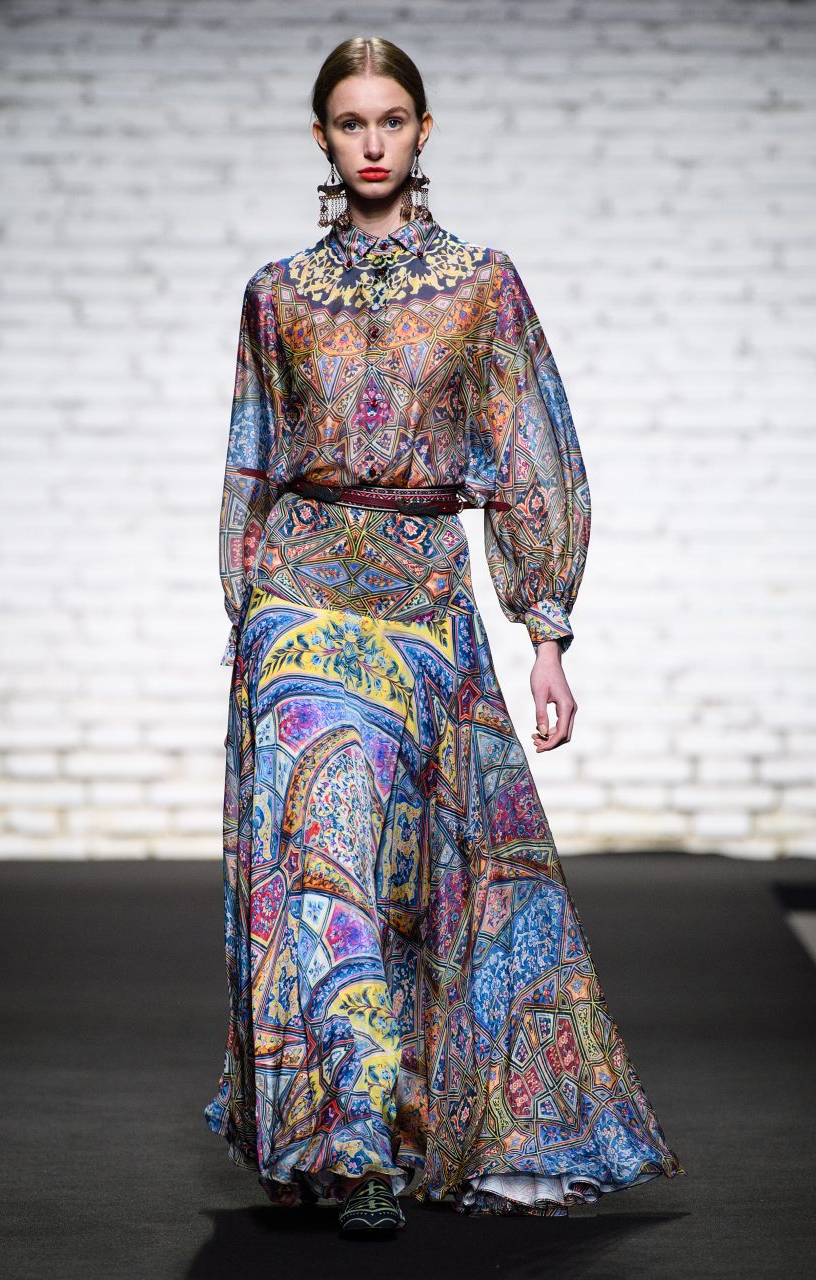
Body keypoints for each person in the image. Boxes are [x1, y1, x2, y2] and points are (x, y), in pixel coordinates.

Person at [203, 35, 685, 1237]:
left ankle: (410, 1122)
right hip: (297, 596)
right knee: (322, 856)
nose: (370, 142)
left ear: (422, 132)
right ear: (321, 139)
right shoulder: (275, 293)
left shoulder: (481, 284)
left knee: (419, 872)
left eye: (391, 119)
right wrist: (244, 610)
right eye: (349, 121)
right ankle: (356, 1144)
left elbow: (529, 450)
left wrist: (545, 630)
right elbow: (249, 459)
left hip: (421, 593)